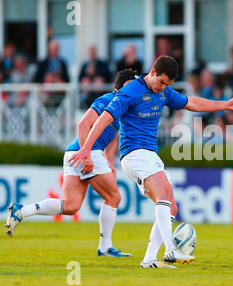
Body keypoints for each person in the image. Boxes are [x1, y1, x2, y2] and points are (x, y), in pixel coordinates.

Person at [68, 56, 233, 269]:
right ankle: (171, 249)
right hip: (134, 154)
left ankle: (149, 260)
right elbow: (105, 118)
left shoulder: (163, 92)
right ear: (152, 71)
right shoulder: (131, 91)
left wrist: (224, 104)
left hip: (150, 155)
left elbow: (192, 103)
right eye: (161, 82)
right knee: (164, 191)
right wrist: (86, 148)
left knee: (171, 206)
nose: (163, 87)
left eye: (168, 85)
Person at [5, 69, 139, 258]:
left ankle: (22, 211)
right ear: (123, 86)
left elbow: (112, 139)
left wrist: (109, 163)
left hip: (73, 153)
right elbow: (83, 124)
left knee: (71, 205)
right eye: (133, 85)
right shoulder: (108, 100)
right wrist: (87, 156)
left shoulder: (123, 106)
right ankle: (105, 246)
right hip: (86, 152)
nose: (136, 90)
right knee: (114, 198)